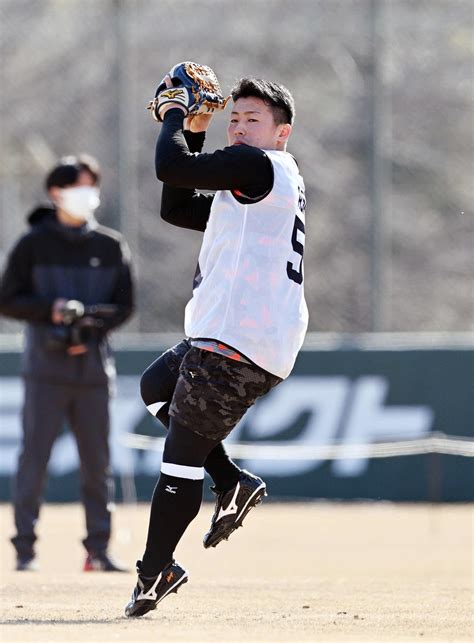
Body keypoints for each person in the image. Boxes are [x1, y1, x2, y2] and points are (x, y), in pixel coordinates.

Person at [125, 76, 308, 617]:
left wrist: (177, 115)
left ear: (282, 133)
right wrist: (196, 133)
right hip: (234, 337)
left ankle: (153, 573)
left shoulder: (260, 167)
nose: (240, 126)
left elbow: (170, 166)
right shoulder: (255, 183)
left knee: (178, 463)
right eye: (235, 118)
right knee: (157, 387)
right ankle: (230, 481)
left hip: (239, 342)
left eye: (253, 119)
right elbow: (177, 207)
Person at [0, 154, 135, 572]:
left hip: (93, 370)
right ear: (55, 192)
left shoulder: (110, 245)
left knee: (98, 464)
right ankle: (25, 549)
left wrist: (90, 327)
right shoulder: (33, 243)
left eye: (91, 186)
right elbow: (7, 299)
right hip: (45, 368)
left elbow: (125, 305)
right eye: (78, 186)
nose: (87, 194)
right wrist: (52, 312)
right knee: (34, 460)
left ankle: (98, 548)